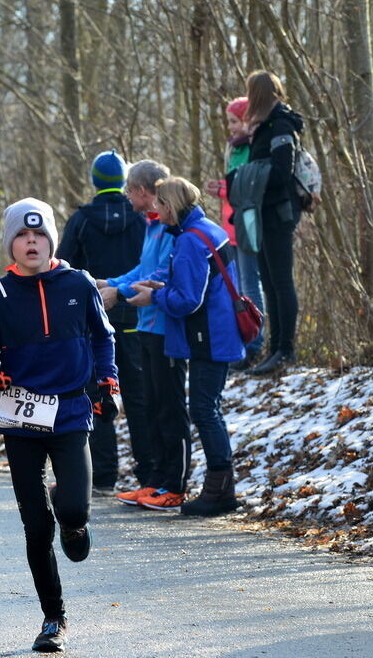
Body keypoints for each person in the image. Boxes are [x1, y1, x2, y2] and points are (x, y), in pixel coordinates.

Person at [0, 198, 117, 653]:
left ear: (50, 240)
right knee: (36, 527)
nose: (30, 242)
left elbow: (102, 335)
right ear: (10, 245)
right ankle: (54, 618)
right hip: (21, 418)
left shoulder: (78, 283)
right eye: (21, 235)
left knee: (73, 510)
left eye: (38, 235)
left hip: (72, 411)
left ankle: (72, 519)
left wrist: (107, 381)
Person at [128, 177, 244, 516]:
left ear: (172, 206)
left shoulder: (193, 240)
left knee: (205, 410)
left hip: (211, 335)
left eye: (159, 204)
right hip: (213, 333)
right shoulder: (199, 230)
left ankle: (220, 489)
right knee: (207, 408)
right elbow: (183, 277)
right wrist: (159, 281)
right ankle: (219, 487)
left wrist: (155, 295)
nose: (155, 209)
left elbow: (188, 301)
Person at [56, 150, 151, 495]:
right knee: (140, 398)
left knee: (99, 393)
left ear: (95, 181)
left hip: (95, 321)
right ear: (124, 181)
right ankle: (149, 475)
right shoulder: (143, 217)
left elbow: (62, 268)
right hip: (137, 315)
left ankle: (104, 476)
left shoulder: (81, 220)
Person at [99, 160, 193, 511]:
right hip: (146, 326)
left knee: (170, 408)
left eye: (129, 190)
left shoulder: (172, 226)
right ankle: (154, 481)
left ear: (141, 191)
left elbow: (160, 274)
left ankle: (174, 484)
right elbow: (143, 269)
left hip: (167, 328)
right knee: (152, 407)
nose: (127, 196)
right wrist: (111, 283)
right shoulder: (151, 226)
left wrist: (119, 293)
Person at [242, 71, 304, 375]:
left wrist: (251, 176)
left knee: (281, 282)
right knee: (268, 282)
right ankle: (275, 348)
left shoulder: (281, 125)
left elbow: (282, 172)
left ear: (258, 95)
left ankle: (285, 350)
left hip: (279, 213)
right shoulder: (265, 127)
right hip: (264, 212)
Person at [205, 96, 264, 371]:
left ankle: (256, 343)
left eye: (233, 121)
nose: (229, 127)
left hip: (246, 225)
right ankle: (248, 341)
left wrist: (221, 189)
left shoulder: (252, 147)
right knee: (239, 286)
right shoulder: (234, 149)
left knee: (251, 285)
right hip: (232, 226)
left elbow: (245, 187)